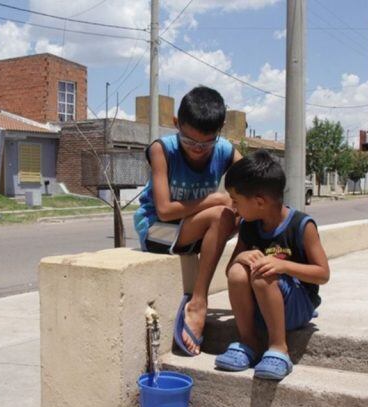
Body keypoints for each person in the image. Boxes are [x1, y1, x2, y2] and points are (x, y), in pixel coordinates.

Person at [134, 86, 241, 356]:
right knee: (221, 211)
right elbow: (165, 210)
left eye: (206, 144)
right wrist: (216, 199)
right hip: (158, 230)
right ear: (176, 124)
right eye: (189, 141)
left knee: (236, 215)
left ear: (220, 131)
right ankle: (198, 301)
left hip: (193, 230)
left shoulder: (225, 150)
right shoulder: (163, 149)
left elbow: (253, 186)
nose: (197, 150)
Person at [214, 151, 330, 380]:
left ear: (259, 202)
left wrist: (283, 266)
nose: (233, 207)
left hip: (297, 307)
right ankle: (250, 342)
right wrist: (241, 258)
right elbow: (230, 272)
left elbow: (322, 274)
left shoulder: (301, 225)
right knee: (239, 272)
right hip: (261, 307)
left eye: (236, 200)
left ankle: (278, 347)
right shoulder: (249, 226)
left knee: (262, 273)